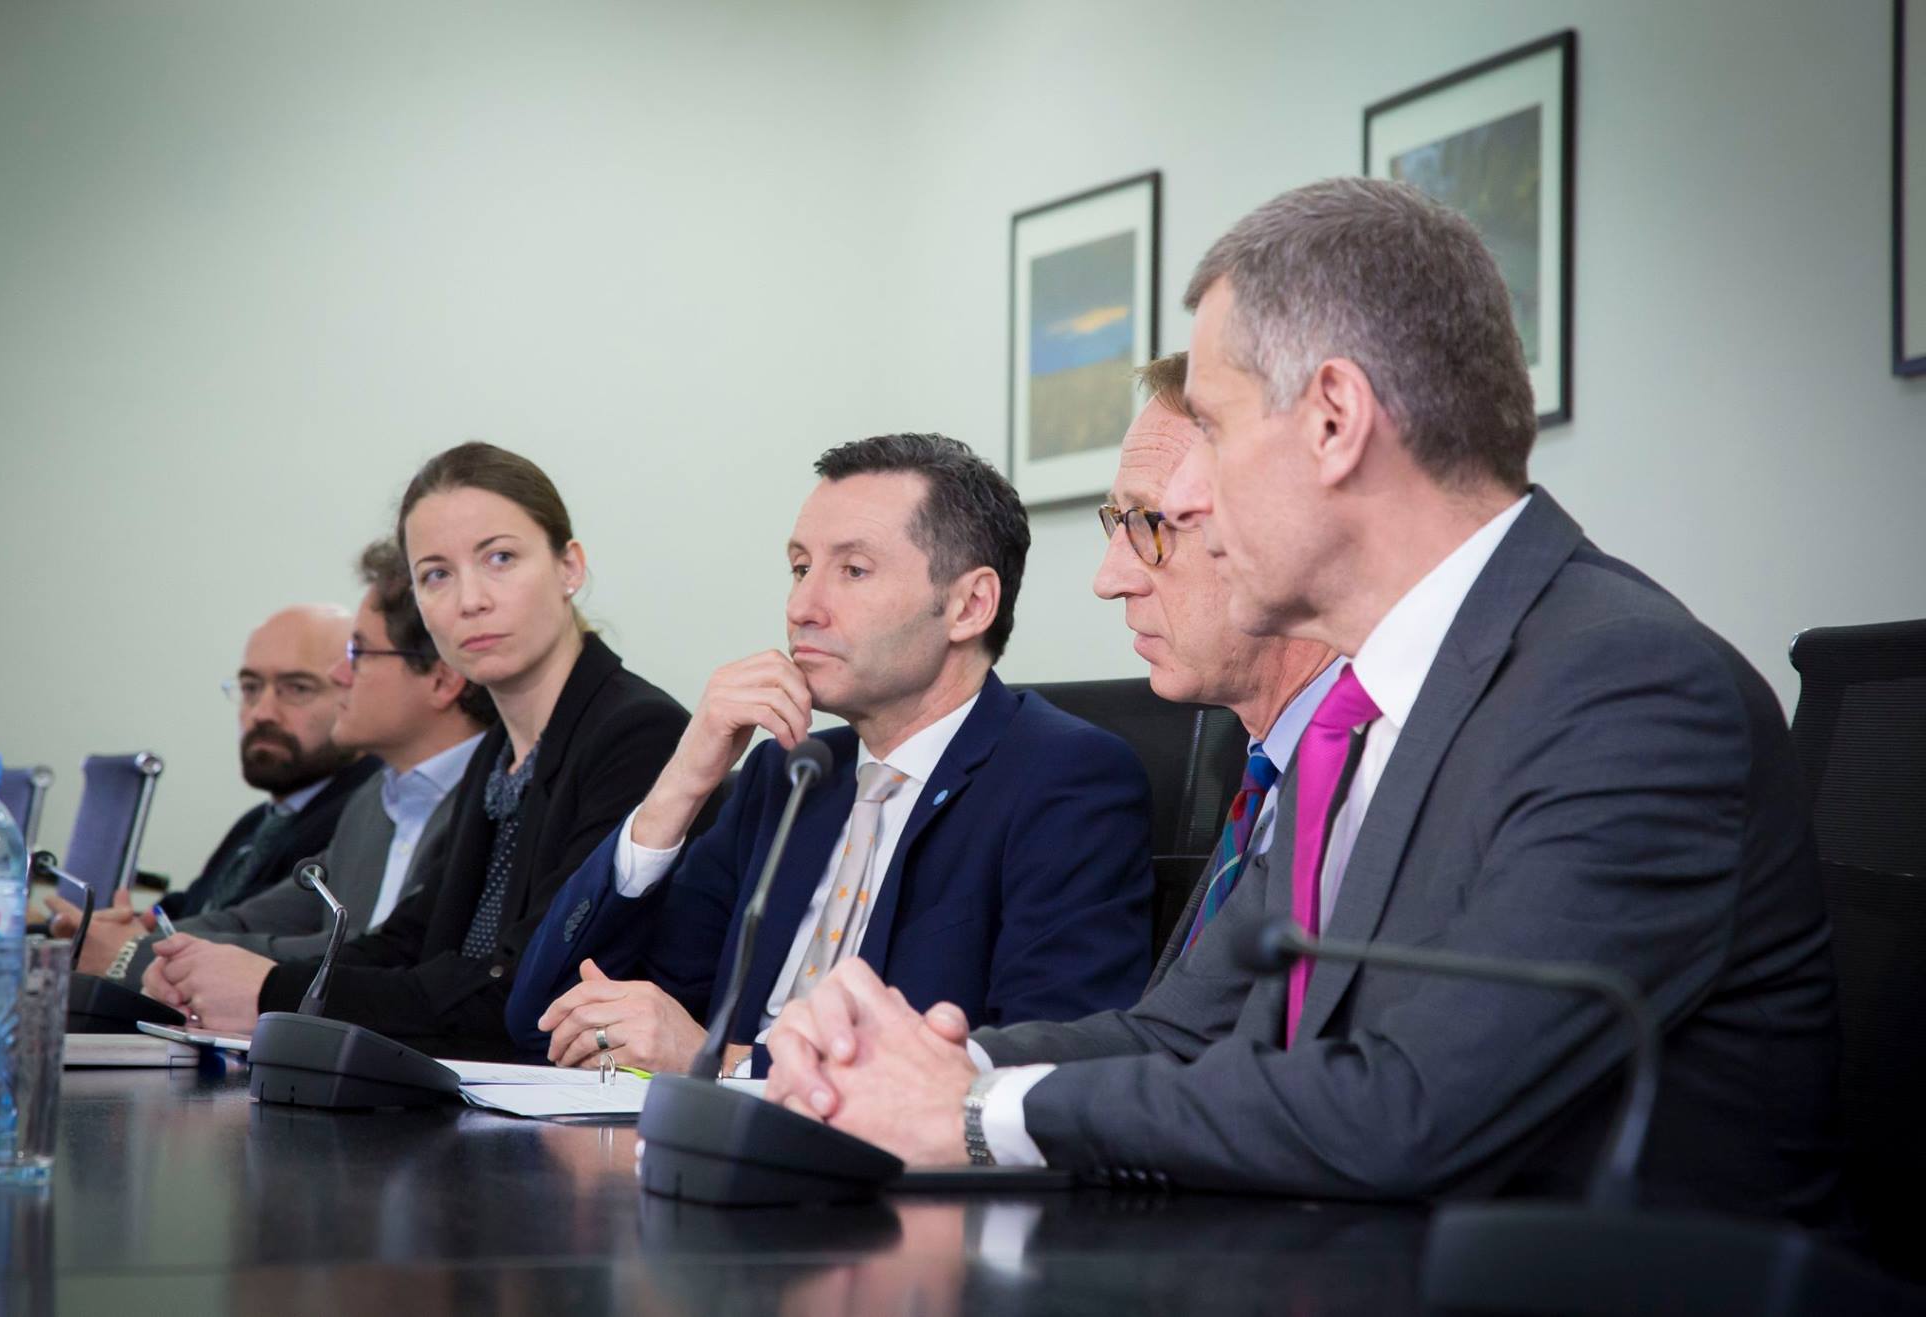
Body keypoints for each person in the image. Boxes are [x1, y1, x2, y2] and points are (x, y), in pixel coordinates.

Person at [764, 178, 1842, 1224]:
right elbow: (1181, 1036)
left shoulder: (1626, 692)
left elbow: (1416, 1108)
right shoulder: (1364, 708)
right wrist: (920, 1064)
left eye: (1215, 429)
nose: (1190, 496)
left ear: (1333, 420)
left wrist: (973, 1113)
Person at [508, 433, 1155, 1077]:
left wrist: (722, 1064)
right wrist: (683, 781)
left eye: (853, 570)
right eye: (799, 568)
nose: (801, 608)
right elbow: (548, 1020)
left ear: (969, 605)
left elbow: (1048, 1060)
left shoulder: (1064, 778)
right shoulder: (788, 776)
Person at [145, 443, 687, 1057]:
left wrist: (274, 991)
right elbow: (413, 939)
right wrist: (222, 977)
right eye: (436, 575)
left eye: (501, 558)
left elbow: (523, 988)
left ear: (570, 567)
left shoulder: (637, 732)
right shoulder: (498, 751)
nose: (470, 600)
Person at [112, 538, 495, 986]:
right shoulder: (375, 801)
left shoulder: (493, 803)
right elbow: (250, 920)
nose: (338, 674)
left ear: (442, 681)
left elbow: (372, 958)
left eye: (358, 654)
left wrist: (128, 954)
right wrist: (130, 943)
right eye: (250, 687)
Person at [1097, 351, 1339, 986]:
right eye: (1117, 521)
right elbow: (1179, 1029)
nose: (1109, 579)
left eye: (1149, 522)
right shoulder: (1267, 770)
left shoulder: (1384, 770)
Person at [51, 603, 378, 977]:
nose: (261, 712)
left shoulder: (362, 814)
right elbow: (195, 906)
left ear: (354, 691)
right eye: (251, 687)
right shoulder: (261, 820)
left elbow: (268, 942)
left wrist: (129, 948)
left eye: (296, 688)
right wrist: (112, 927)